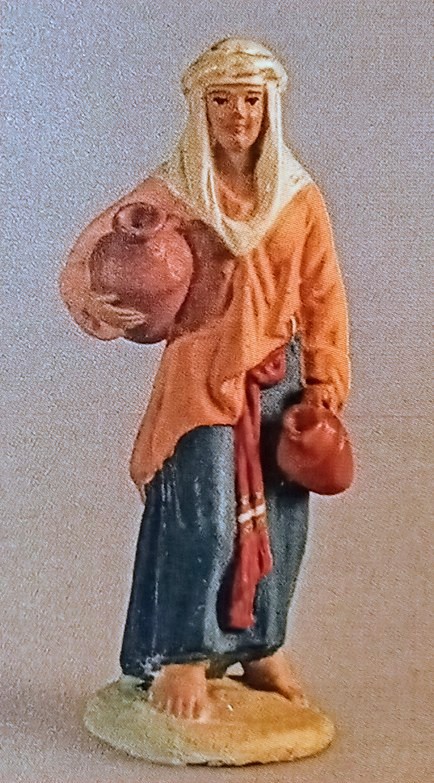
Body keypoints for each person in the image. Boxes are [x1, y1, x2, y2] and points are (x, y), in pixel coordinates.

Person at [60, 38, 350, 721]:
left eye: (250, 100)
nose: (238, 115)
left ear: (269, 107)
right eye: (222, 100)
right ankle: (182, 653)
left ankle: (261, 643)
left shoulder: (297, 196)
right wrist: (92, 295)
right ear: (201, 109)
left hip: (279, 374)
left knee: (282, 520)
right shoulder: (177, 191)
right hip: (202, 378)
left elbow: (323, 293)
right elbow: (92, 251)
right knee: (204, 517)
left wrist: (325, 378)